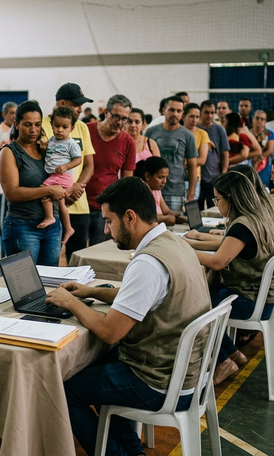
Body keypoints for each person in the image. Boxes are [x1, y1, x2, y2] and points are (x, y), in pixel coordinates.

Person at [45, 177, 211, 456]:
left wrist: (71, 302)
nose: (107, 230)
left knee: (59, 391)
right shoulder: (173, 241)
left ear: (130, 217)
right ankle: (132, 452)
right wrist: (92, 291)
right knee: (97, 364)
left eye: (109, 221)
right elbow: (142, 296)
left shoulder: (148, 262)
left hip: (159, 381)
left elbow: (110, 331)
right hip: (187, 373)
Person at [184, 168, 274, 384]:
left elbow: (217, 262)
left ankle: (223, 361)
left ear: (231, 198)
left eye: (217, 199)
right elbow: (228, 245)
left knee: (196, 307)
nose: (216, 203)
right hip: (263, 296)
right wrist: (193, 242)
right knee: (209, 295)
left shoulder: (243, 225)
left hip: (252, 301)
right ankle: (233, 354)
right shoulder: (258, 216)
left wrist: (185, 251)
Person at [0, 100, 66, 265]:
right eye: (27, 124)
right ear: (16, 123)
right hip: (22, 226)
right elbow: (12, 193)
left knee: (49, 282)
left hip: (52, 225)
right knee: (25, 286)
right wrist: (49, 191)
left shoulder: (46, 149)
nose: (33, 130)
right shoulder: (9, 152)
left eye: (37, 124)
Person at [40, 83, 95, 263]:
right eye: (76, 104)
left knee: (77, 262)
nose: (80, 109)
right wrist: (60, 191)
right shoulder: (42, 125)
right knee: (48, 261)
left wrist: (76, 187)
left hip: (78, 202)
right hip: (50, 203)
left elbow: (88, 164)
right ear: (62, 103)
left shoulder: (81, 127)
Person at [86, 94, 137, 245]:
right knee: (75, 253)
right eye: (116, 117)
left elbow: (126, 182)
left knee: (98, 253)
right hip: (78, 204)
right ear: (106, 112)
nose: (120, 122)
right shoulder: (86, 131)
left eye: (124, 119)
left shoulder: (128, 142)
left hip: (105, 208)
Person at [145, 95, 198, 212]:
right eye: (171, 110)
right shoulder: (151, 131)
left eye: (179, 111)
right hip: (151, 191)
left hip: (176, 192)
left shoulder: (188, 135)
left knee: (173, 227)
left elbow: (192, 166)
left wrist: (191, 195)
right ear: (164, 110)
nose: (175, 114)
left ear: (182, 113)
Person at [39, 106, 82, 244]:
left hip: (63, 177)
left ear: (72, 128)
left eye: (64, 127)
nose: (60, 130)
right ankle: (68, 228)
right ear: (51, 125)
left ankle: (50, 216)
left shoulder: (71, 144)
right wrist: (44, 149)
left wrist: (66, 166)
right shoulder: (52, 140)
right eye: (56, 126)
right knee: (61, 204)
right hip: (55, 175)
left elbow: (78, 159)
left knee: (43, 190)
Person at [197, 100, 231, 209]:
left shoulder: (219, 129)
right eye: (206, 112)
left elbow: (225, 153)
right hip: (197, 176)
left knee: (215, 207)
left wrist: (223, 174)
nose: (210, 115)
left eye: (212, 112)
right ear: (201, 112)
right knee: (197, 209)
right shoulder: (195, 129)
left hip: (214, 177)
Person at [134, 157, 187, 226]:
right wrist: (164, 219)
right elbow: (144, 217)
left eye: (166, 177)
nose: (164, 181)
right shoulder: (139, 192)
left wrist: (178, 217)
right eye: (160, 177)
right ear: (147, 176)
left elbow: (167, 212)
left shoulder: (156, 192)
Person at [183, 102, 211, 201]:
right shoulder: (178, 132)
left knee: (190, 209)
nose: (194, 120)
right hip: (175, 178)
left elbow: (202, 160)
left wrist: (183, 163)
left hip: (193, 178)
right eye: (191, 116)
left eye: (197, 117)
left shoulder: (202, 134)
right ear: (184, 116)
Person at [251, 110, 274, 185]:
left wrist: (259, 158)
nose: (259, 121)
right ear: (253, 119)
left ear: (265, 122)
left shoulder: (269, 133)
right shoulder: (248, 133)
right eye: (257, 118)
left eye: (262, 119)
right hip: (249, 162)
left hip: (264, 165)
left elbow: (270, 150)